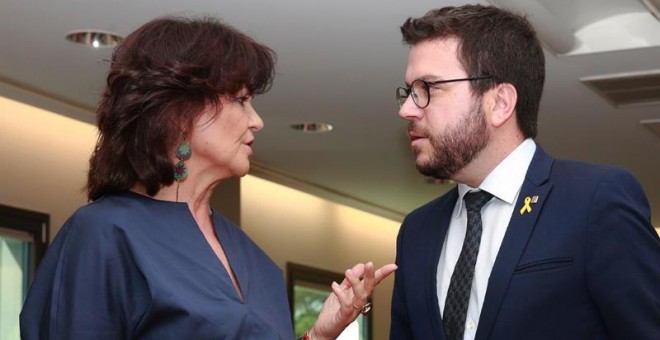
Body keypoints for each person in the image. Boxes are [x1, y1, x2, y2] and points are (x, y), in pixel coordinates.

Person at [19, 16, 396, 339]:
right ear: (180, 111)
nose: (257, 120)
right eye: (241, 100)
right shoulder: (105, 234)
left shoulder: (253, 257)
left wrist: (320, 333)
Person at [390, 4, 660, 340]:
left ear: (500, 103)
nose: (406, 109)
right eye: (409, 92)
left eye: (428, 88)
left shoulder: (595, 202)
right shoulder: (417, 231)